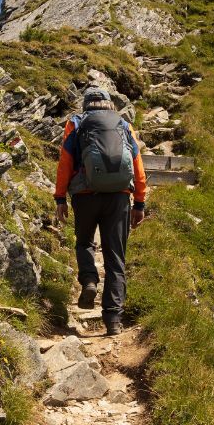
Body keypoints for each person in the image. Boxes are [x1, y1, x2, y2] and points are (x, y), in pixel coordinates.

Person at [55, 87, 148, 336]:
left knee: (84, 242)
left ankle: (89, 280)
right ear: (109, 104)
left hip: (85, 197)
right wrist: (139, 203)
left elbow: (65, 163)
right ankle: (113, 320)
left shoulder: (76, 124)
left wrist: (60, 197)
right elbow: (138, 166)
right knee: (115, 258)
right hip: (118, 198)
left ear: (86, 104)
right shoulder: (123, 125)